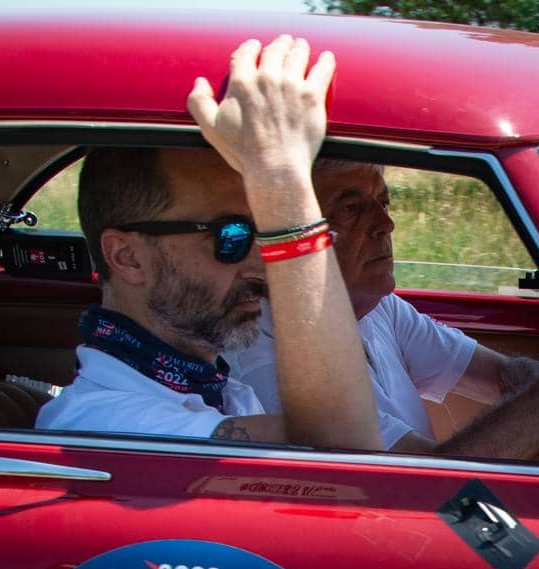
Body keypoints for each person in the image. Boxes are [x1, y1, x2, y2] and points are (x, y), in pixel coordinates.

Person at [38, 36, 380, 454]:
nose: (261, 262)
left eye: (263, 231)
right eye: (232, 235)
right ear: (128, 258)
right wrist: (279, 177)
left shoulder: (217, 390)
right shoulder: (106, 422)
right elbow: (342, 447)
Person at [224, 158, 539, 459]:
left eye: (383, 203)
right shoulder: (269, 364)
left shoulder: (376, 308)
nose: (385, 224)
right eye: (353, 208)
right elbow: (439, 489)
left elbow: (503, 376)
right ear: (292, 233)